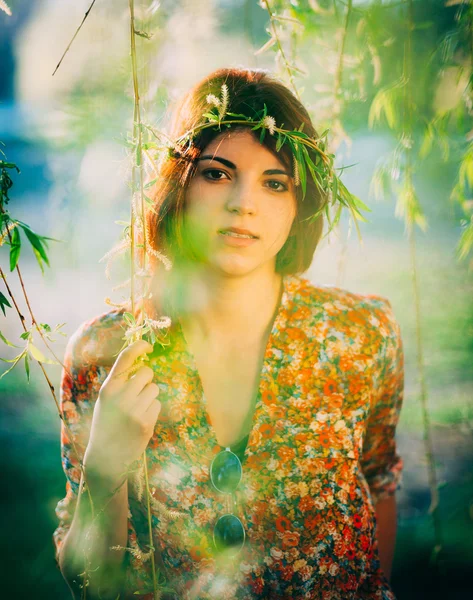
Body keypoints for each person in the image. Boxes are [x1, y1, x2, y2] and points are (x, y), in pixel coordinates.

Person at [53, 67, 404, 600]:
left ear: (299, 204)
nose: (245, 201)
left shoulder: (360, 335)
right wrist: (104, 470)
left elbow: (379, 486)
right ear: (180, 185)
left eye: (275, 182)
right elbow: (92, 586)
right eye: (217, 173)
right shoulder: (107, 354)